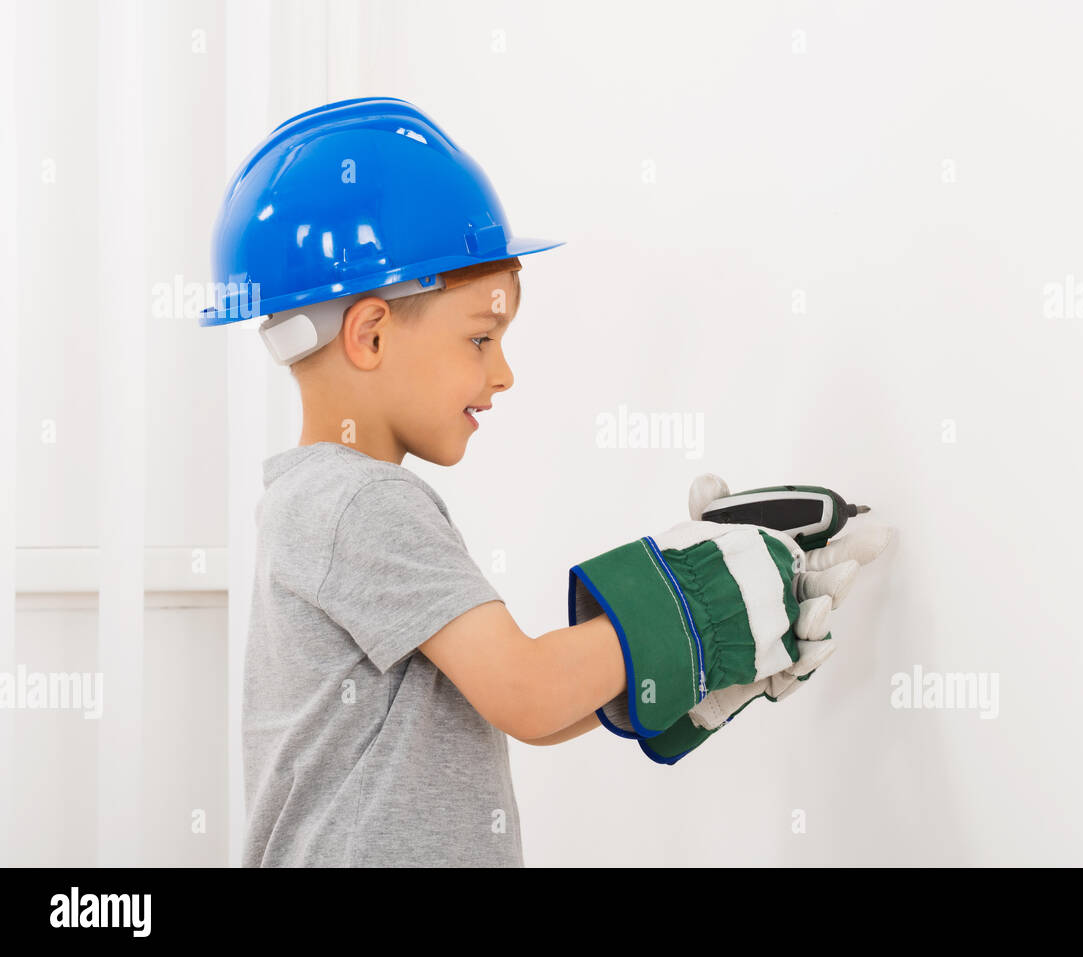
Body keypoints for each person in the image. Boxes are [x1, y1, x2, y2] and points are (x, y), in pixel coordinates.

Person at [203, 97, 884, 867]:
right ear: (370, 333)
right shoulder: (361, 501)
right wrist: (694, 602)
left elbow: (517, 700)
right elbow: (524, 691)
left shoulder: (316, 500)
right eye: (481, 338)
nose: (502, 373)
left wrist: (690, 663)